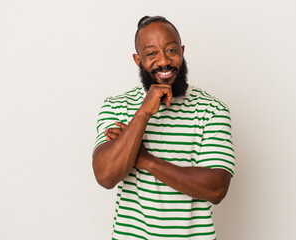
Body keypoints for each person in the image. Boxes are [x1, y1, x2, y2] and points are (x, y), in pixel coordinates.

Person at [92, 16, 235, 239]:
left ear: (182, 51)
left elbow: (216, 189)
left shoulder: (212, 109)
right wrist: (143, 113)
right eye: (151, 54)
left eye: (171, 50)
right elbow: (105, 176)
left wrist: (144, 159)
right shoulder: (116, 106)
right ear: (137, 60)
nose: (163, 61)